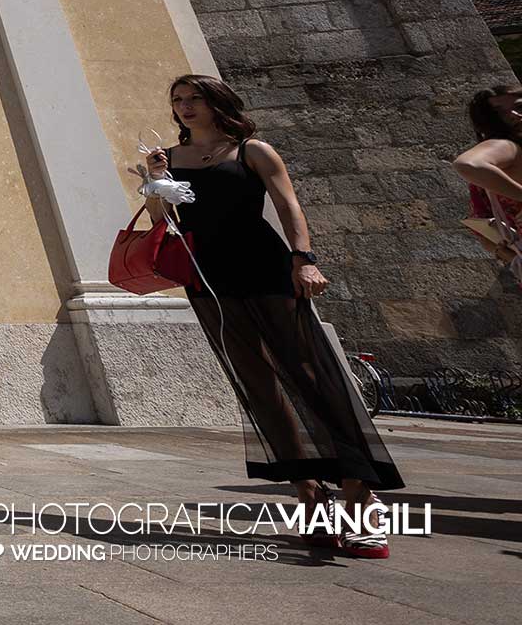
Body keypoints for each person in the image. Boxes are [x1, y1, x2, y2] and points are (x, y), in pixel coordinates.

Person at [144, 75, 403, 557]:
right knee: (258, 386)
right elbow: (165, 225)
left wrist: (304, 258)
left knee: (310, 376)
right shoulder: (172, 161)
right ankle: (307, 495)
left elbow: (288, 206)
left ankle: (361, 502)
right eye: (177, 101)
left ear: (217, 102)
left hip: (265, 268)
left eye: (193, 99)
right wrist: (155, 183)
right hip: (208, 278)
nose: (184, 108)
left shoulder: (253, 151)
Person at [451, 84, 522, 277]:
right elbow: (468, 164)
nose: (515, 115)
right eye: (500, 113)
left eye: (520, 107)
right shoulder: (508, 147)